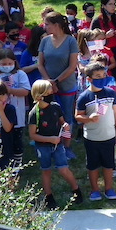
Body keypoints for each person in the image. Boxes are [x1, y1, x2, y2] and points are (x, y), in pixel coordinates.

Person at [28, 80, 84, 209]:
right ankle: (49, 197)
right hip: (43, 146)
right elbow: (32, 135)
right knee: (46, 170)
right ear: (39, 96)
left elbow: (62, 122)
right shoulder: (34, 113)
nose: (51, 95)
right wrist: (50, 139)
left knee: (63, 168)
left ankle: (76, 190)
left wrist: (65, 126)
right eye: (48, 93)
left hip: (57, 145)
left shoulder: (55, 107)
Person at [75, 62, 116, 202]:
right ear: (89, 79)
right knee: (93, 165)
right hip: (92, 138)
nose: (102, 78)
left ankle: (109, 188)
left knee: (109, 164)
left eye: (103, 75)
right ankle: (95, 190)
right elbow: (77, 116)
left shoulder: (110, 93)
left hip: (109, 136)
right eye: (98, 76)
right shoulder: (84, 97)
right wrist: (89, 118)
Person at [38, 11, 80, 148]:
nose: (45, 27)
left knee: (67, 116)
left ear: (56, 25)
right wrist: (49, 82)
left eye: (47, 24)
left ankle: (66, 146)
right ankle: (50, 142)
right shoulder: (44, 41)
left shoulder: (71, 41)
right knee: (48, 114)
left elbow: (72, 66)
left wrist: (56, 81)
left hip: (67, 85)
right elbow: (40, 64)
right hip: (48, 87)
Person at [0, 49, 31, 171]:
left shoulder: (20, 74)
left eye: (10, 63)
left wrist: (9, 90)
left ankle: (16, 166)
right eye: (3, 64)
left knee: (16, 141)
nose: (7, 66)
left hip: (16, 114)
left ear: (14, 62)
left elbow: (26, 91)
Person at [92, 0, 116, 82]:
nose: (113, 6)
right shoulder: (97, 20)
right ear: (104, 6)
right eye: (110, 4)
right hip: (103, 53)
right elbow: (91, 40)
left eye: (114, 4)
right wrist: (105, 36)